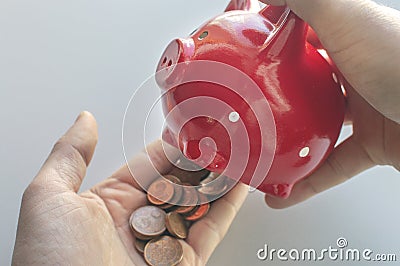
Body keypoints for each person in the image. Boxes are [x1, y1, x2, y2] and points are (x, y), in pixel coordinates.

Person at [12, 0, 400, 265]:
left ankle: (277, 179)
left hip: (293, 156)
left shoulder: (280, 70)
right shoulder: (236, 30)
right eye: (200, 39)